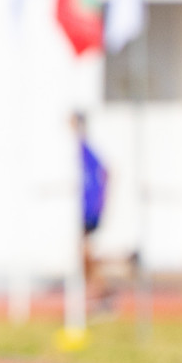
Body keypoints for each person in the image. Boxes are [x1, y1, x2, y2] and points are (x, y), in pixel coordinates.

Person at [74, 110, 111, 308]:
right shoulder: (80, 149)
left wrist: (100, 201)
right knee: (83, 253)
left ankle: (100, 291)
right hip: (86, 208)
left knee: (85, 253)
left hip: (89, 209)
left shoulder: (83, 149)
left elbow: (106, 172)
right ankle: (98, 290)